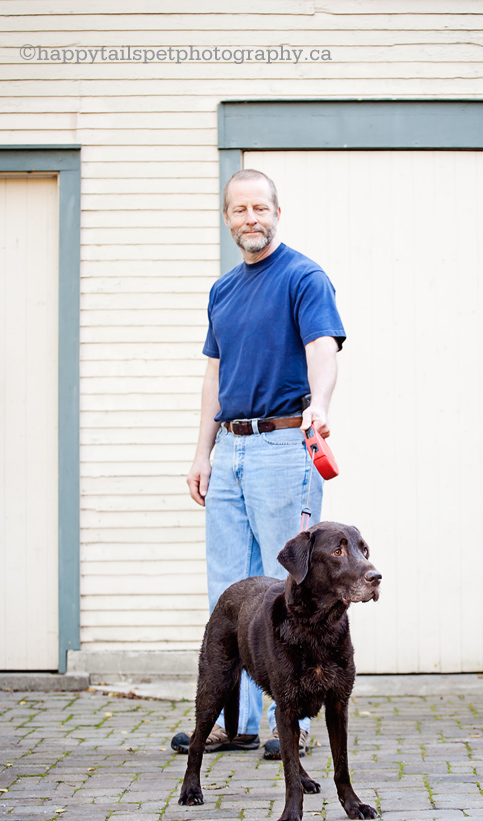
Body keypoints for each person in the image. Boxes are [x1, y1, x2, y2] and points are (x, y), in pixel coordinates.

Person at [170, 168, 345, 761]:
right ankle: (236, 722)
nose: (250, 218)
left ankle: (290, 722)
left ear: (276, 212)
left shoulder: (303, 277)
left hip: (280, 447)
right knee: (230, 593)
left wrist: (319, 405)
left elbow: (322, 347)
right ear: (227, 219)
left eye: (259, 208)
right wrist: (203, 450)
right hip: (231, 451)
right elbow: (215, 376)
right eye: (239, 210)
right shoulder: (222, 291)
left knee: (292, 588)